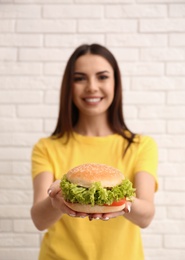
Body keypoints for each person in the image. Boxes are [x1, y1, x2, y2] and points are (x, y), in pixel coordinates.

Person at [31, 43, 158, 260]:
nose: (91, 87)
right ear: (68, 86)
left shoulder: (140, 145)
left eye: (102, 77)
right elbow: (39, 220)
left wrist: (120, 201)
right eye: (79, 78)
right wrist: (57, 201)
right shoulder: (46, 147)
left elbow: (146, 217)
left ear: (115, 83)